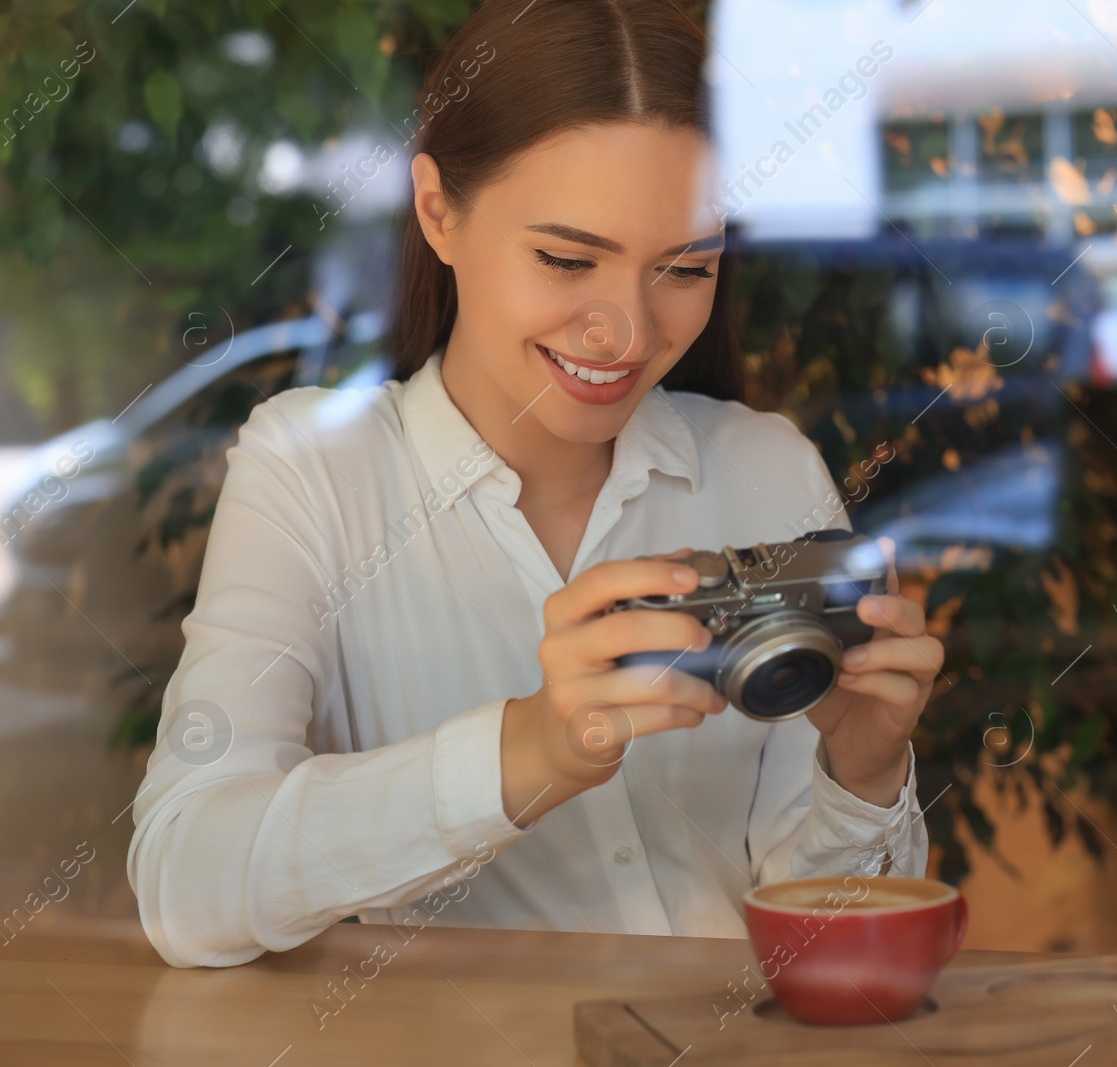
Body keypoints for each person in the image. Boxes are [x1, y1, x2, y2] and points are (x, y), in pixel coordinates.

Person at [127, 0, 943, 969]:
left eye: (686, 266)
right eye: (566, 258)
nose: (627, 333)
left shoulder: (764, 468)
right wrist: (530, 752)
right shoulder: (315, 472)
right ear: (438, 210)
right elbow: (186, 879)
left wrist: (862, 768)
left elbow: (826, 953)